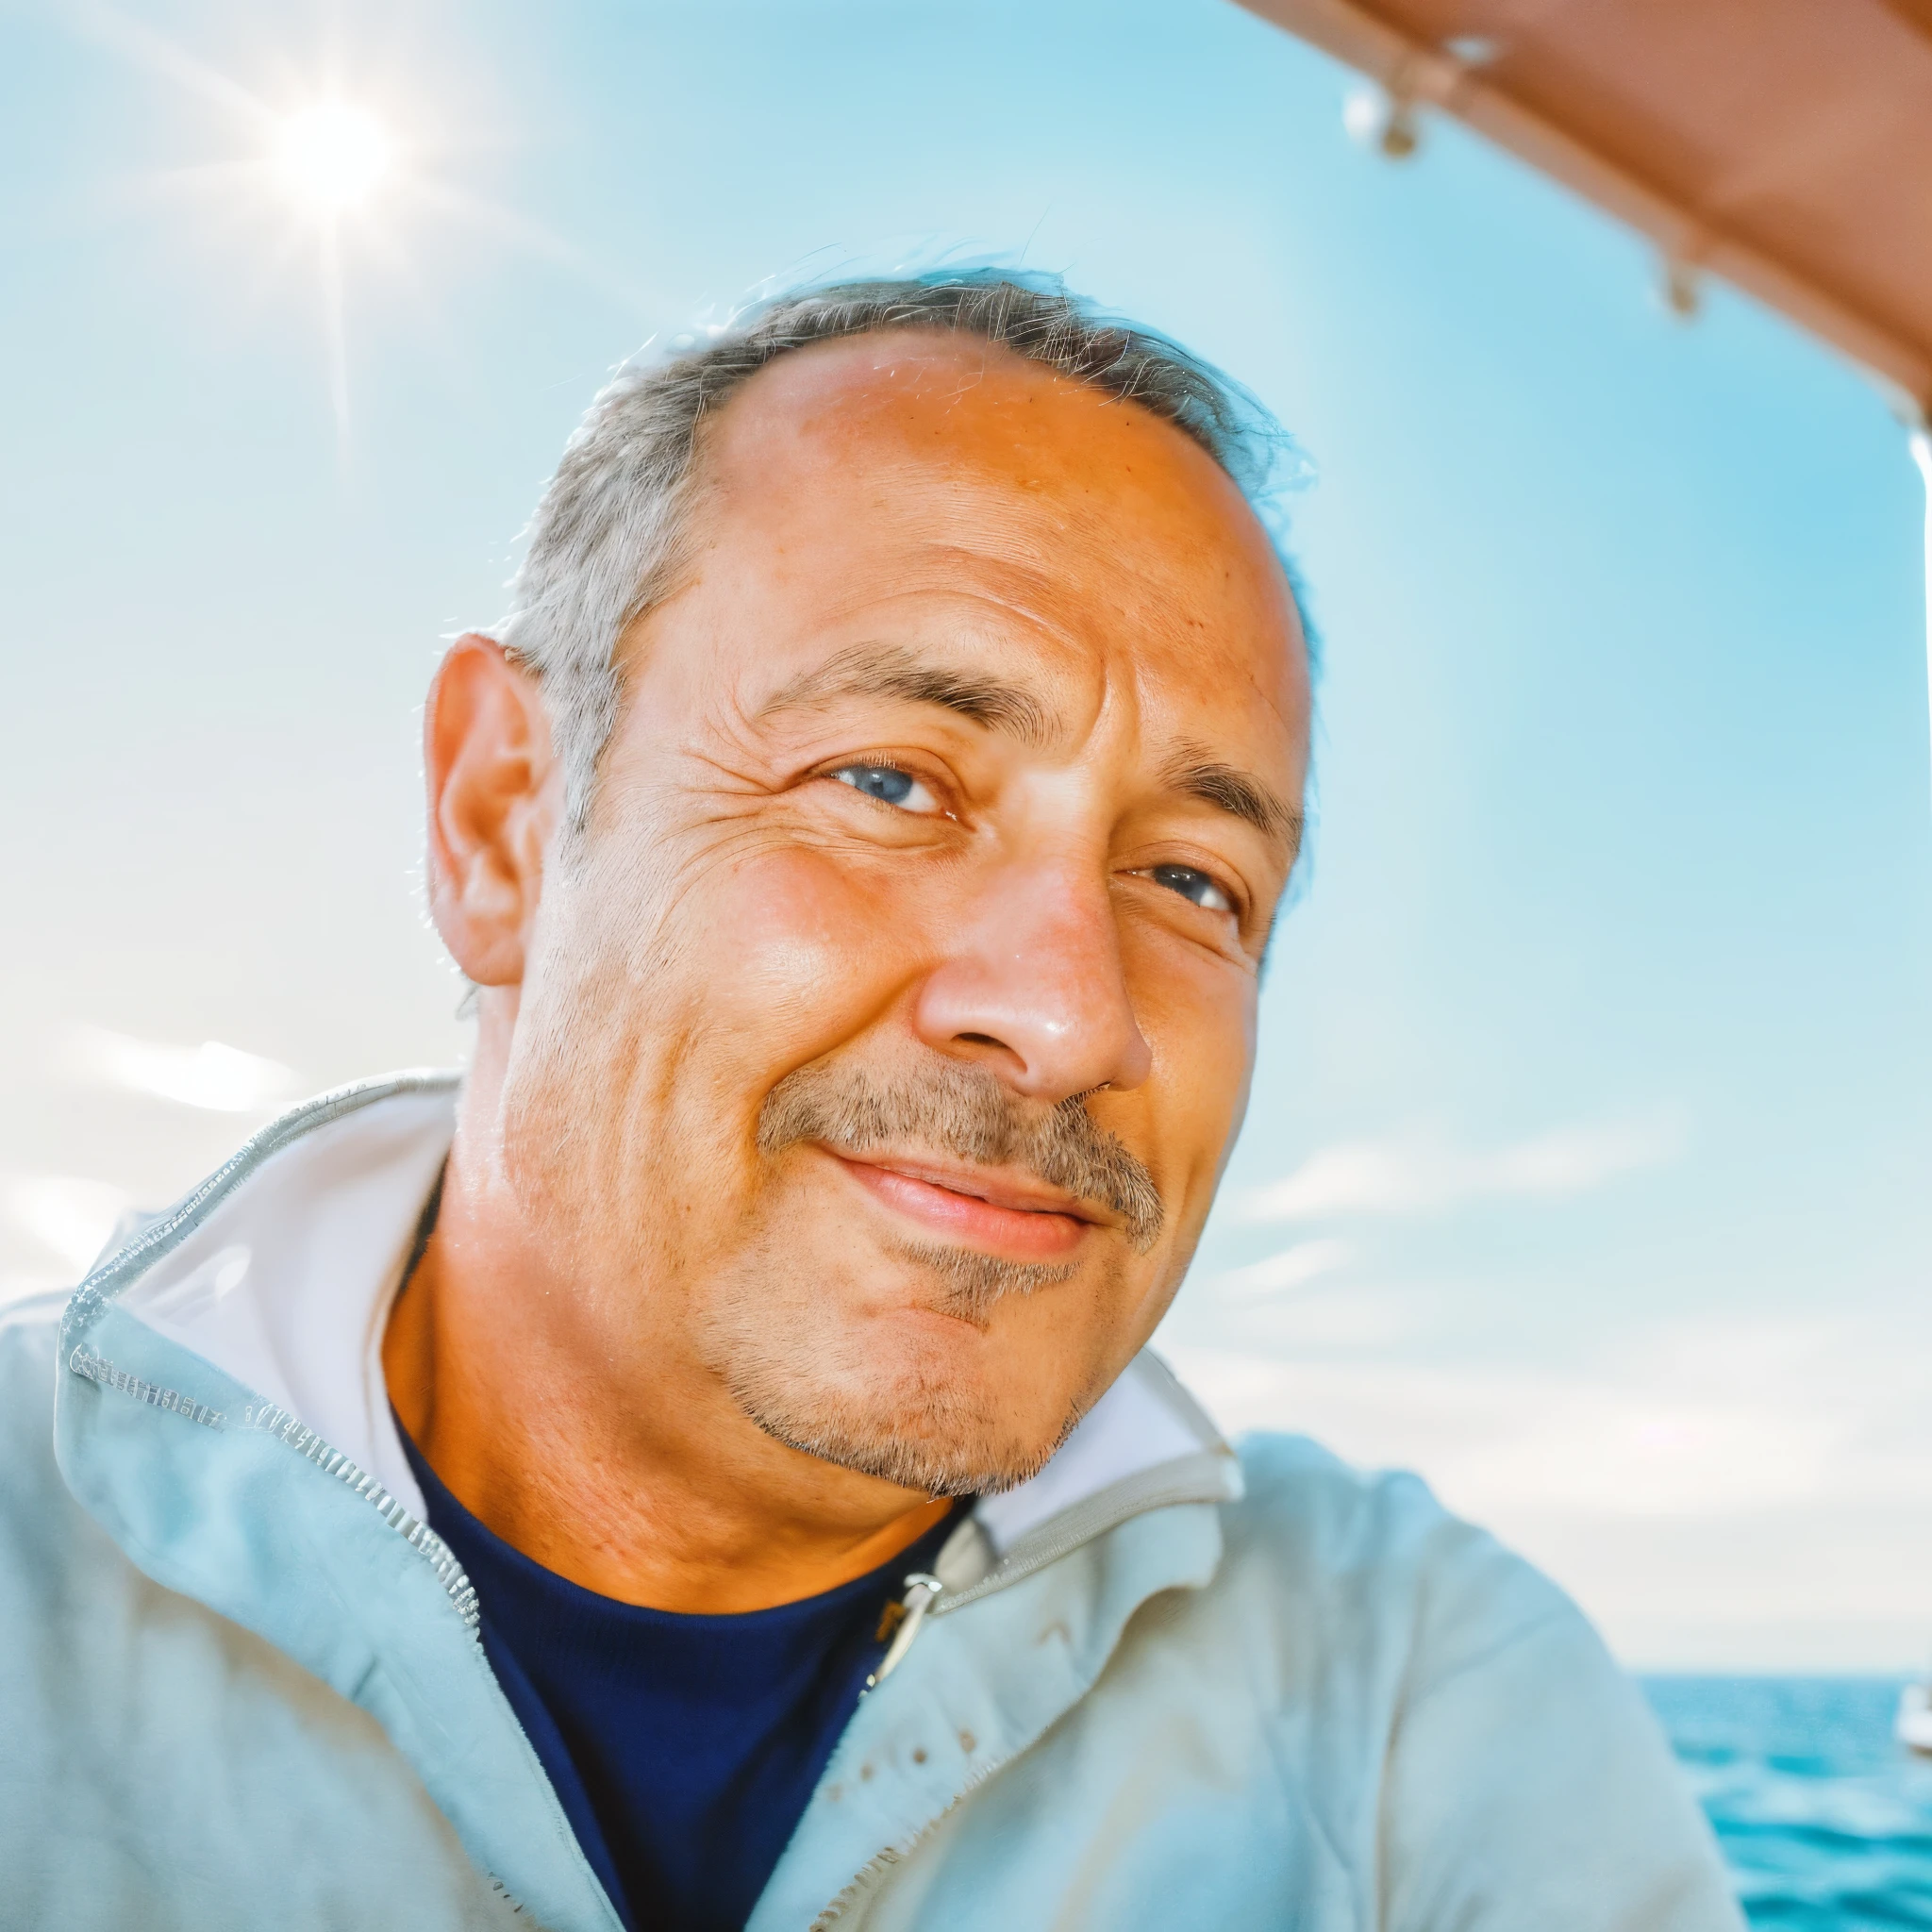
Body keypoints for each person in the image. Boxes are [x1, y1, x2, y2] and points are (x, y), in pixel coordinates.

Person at [0, 273, 1740, 1932]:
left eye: (1194, 882)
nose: (1069, 1015)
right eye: (893, 781)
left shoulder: (1412, 1699)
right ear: (504, 822)